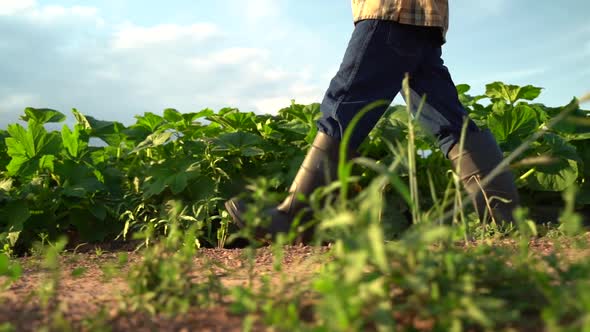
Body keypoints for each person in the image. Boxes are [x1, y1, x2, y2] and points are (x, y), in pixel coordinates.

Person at [225, 0, 519, 241]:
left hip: (391, 10)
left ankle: (296, 218)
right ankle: (502, 222)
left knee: (346, 103)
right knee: (448, 120)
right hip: (421, 18)